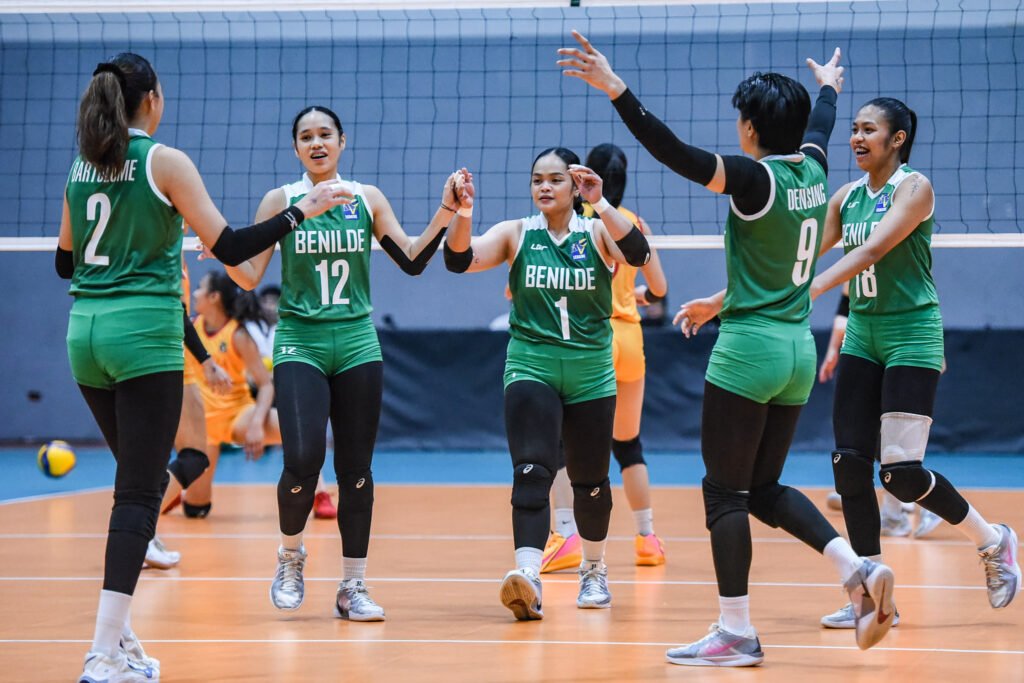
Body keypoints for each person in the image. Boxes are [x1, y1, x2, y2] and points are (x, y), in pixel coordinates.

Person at [559, 32, 895, 664]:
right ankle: (858, 569)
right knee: (762, 488)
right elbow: (821, 123)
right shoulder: (814, 166)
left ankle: (736, 630)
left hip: (749, 352)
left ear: (750, 128)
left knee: (724, 494)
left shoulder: (752, 179)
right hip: (797, 350)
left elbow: (674, 152)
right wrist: (828, 87)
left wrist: (616, 89)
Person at [58, 53, 349, 682]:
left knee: (137, 482)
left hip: (85, 335)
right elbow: (234, 246)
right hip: (143, 336)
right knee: (140, 496)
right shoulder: (163, 161)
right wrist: (303, 210)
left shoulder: (83, 163)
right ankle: (102, 655)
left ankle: (122, 640)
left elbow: (64, 261)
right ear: (153, 100)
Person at [216, 105, 463, 622]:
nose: (316, 143)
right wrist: (221, 254)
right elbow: (249, 275)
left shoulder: (366, 198)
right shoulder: (281, 200)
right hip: (300, 342)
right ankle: (290, 556)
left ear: (342, 142)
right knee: (302, 460)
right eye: (306, 136)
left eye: (325, 134)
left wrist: (445, 212)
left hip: (356, 342)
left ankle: (353, 585)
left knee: (356, 471)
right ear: (295, 148)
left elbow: (412, 259)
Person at [810, 97, 1021, 626]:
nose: (857, 138)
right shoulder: (846, 197)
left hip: (911, 335)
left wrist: (807, 291)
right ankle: (872, 596)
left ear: (897, 138)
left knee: (900, 476)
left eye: (868, 129)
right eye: (853, 129)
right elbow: (803, 252)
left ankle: (993, 541)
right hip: (863, 334)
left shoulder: (914, 188)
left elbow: (870, 252)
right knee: (848, 466)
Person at [445, 147, 652, 620]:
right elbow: (458, 260)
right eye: (537, 178)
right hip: (531, 365)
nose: (544, 186)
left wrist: (600, 203)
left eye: (555, 179)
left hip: (590, 371)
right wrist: (464, 212)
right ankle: (528, 575)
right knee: (531, 471)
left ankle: (594, 570)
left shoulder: (597, 231)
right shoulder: (516, 233)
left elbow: (639, 253)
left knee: (591, 481)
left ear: (575, 185)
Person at [540, 143, 669, 573]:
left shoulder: (574, 223)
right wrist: (636, 295)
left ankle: (565, 535)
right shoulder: (631, 223)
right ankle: (647, 538)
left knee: (562, 442)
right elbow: (660, 290)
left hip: (591, 336)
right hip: (630, 338)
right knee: (628, 444)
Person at [819, 285, 941, 540]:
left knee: (889, 440)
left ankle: (922, 502)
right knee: (873, 437)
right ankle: (898, 507)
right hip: (872, 346)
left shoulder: (893, 271)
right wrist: (833, 350)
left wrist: (816, 286)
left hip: (902, 347)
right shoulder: (859, 275)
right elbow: (845, 305)